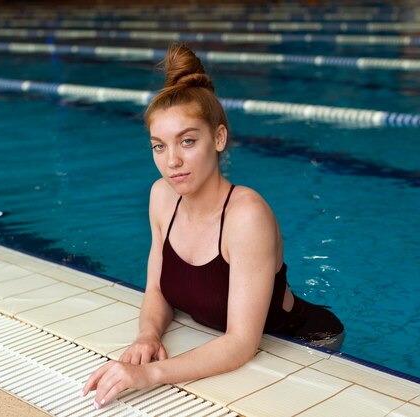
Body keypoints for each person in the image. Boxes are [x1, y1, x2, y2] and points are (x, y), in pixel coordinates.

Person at [82, 44, 344, 409]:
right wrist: (147, 335)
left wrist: (151, 374)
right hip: (241, 348)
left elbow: (241, 343)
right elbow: (157, 289)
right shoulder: (161, 197)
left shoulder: (246, 216)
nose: (172, 161)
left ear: (218, 139)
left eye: (187, 141)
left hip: (303, 341)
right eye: (159, 146)